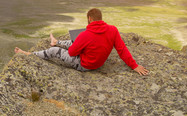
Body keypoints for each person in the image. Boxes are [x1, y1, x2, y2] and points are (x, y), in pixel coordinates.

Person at [15, 8, 149, 76]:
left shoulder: (86, 35)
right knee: (73, 42)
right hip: (99, 63)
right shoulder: (113, 30)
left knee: (54, 51)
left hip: (85, 65)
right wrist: (134, 66)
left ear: (90, 19)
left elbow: (72, 52)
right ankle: (56, 41)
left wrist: (79, 44)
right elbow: (122, 49)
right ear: (100, 18)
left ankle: (29, 54)